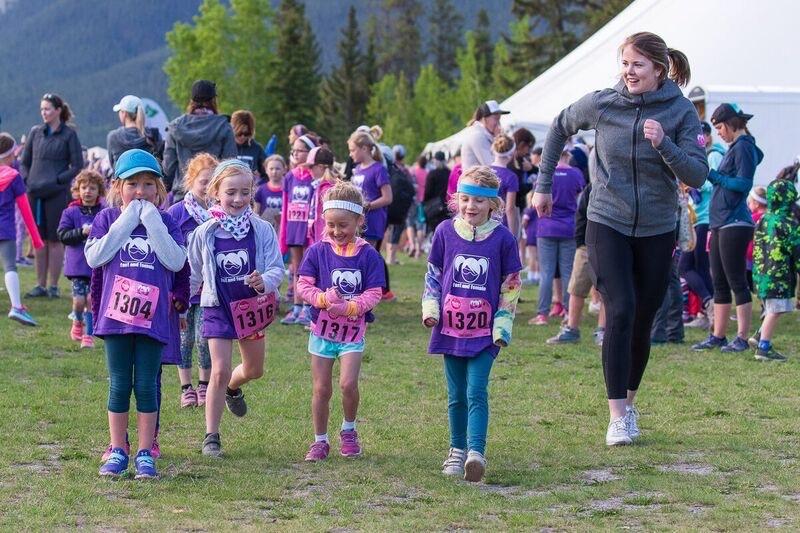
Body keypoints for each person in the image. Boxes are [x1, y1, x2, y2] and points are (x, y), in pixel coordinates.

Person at [533, 32, 707, 446]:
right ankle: (616, 416)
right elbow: (559, 127)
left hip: (656, 225)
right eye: (625, 63)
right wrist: (542, 184)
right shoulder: (603, 102)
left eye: (637, 65)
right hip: (606, 219)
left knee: (642, 319)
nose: (628, 72)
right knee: (621, 307)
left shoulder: (681, 112)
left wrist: (664, 144)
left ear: (659, 70)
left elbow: (697, 174)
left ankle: (629, 406)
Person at [86, 149, 187, 479]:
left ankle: (145, 451)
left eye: (147, 184)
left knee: (145, 384)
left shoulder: (166, 220)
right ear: (117, 187)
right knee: (118, 384)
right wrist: (128, 219)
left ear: (159, 189)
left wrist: (152, 221)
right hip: (116, 318)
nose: (140, 192)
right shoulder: (106, 219)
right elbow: (95, 256)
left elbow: (175, 261)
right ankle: (117, 449)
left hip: (153, 318)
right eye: (132, 184)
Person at [423, 166, 522, 482]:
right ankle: (456, 450)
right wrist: (431, 309)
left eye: (479, 201)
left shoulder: (503, 239)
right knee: (456, 395)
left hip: (485, 334)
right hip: (450, 329)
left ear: (493, 205)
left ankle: (476, 453)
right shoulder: (445, 233)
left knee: (477, 390)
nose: (471, 207)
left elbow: (511, 284)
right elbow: (433, 276)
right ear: (456, 201)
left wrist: (502, 325)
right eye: (465, 199)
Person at [187, 159, 284, 457]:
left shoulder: (262, 229)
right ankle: (211, 435)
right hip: (217, 307)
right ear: (216, 192)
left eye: (244, 192)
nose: (238, 199)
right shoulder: (205, 233)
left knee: (254, 370)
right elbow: (194, 273)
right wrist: (182, 308)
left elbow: (278, 270)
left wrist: (263, 281)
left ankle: (232, 388)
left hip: (251, 308)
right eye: (231, 192)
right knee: (218, 369)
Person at [296, 182, 386, 461]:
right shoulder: (317, 251)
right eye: (331, 225)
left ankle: (349, 430)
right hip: (321, 331)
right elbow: (302, 284)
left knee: (348, 384)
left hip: (352, 332)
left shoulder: (368, 255)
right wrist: (321, 299)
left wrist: (351, 307)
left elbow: (375, 292)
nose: (336, 231)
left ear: (359, 222)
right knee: (321, 388)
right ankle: (320, 440)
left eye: (343, 225)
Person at [692, 103, 762, 353]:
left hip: (735, 222)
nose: (718, 132)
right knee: (719, 281)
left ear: (733, 124)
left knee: (736, 281)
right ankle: (718, 335)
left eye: (720, 127)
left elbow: (743, 183)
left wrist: (713, 175)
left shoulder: (743, 146)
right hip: (721, 222)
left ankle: (742, 338)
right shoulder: (738, 147)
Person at [166, 153, 218, 408]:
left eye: (212, 182)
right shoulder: (176, 212)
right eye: (203, 181)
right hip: (184, 287)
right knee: (184, 338)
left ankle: (204, 385)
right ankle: (185, 386)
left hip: (210, 287)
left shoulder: (221, 214)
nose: (207, 187)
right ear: (191, 181)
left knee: (204, 338)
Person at [20, 93, 83, 299]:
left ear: (58, 110)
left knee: (55, 239)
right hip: (35, 192)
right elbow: (25, 161)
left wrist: (58, 181)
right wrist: (27, 179)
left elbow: (77, 165)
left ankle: (53, 285)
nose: (44, 113)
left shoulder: (68, 134)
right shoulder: (35, 132)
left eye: (47, 109)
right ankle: (40, 284)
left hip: (56, 193)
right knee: (39, 239)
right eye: (42, 109)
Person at [546, 184, 606, 345]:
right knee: (577, 288)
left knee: (608, 290)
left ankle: (603, 331)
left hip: (612, 246)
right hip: (588, 244)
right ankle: (571, 329)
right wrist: (581, 243)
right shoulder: (593, 187)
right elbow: (581, 215)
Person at [530, 149, 584, 326]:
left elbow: (535, 200)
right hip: (568, 228)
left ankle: (542, 315)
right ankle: (569, 312)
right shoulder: (576, 174)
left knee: (546, 273)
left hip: (546, 227)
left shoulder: (546, 175)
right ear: (568, 156)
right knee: (568, 272)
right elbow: (581, 199)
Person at [751, 173, 800, 361]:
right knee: (775, 310)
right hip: (779, 277)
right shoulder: (789, 224)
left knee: (773, 308)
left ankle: (758, 336)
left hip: (761, 275)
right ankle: (764, 348)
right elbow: (796, 250)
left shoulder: (762, 219)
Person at [163, 80, 237, 199]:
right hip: (214, 197)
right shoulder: (224, 126)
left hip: (182, 197)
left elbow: (168, 168)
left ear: (192, 101)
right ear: (213, 101)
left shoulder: (175, 127)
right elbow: (230, 165)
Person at [57, 169, 105, 347]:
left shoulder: (104, 212)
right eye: (84, 187)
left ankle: (88, 335)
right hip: (77, 266)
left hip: (96, 266)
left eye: (92, 188)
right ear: (77, 190)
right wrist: (81, 232)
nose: (87, 191)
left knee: (92, 301)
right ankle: (77, 321)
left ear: (99, 191)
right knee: (79, 301)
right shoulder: (70, 212)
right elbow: (62, 235)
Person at [0, 132, 42, 326]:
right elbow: (26, 212)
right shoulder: (14, 177)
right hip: (6, 229)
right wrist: (36, 239)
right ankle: (16, 307)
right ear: (9, 155)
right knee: (10, 266)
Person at [348, 130, 394, 301]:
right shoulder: (357, 170)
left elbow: (388, 198)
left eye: (353, 150)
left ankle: (369, 292)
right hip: (356, 219)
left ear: (365, 148)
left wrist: (368, 206)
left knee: (367, 255)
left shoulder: (378, 169)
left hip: (373, 220)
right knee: (355, 254)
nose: (350, 154)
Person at [681, 125, 719, 329]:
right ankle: (709, 311)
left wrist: (693, 183)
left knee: (687, 267)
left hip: (706, 219)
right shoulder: (701, 155)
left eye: (701, 135)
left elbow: (713, 182)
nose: (699, 139)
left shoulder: (714, 156)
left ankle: (710, 306)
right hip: (697, 218)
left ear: (707, 136)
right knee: (697, 268)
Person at [280, 134, 318, 325]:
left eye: (299, 150)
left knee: (309, 270)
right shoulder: (289, 176)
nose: (295, 154)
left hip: (309, 228)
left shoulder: (315, 176)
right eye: (293, 150)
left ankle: (308, 307)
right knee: (296, 268)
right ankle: (296, 306)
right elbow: (285, 206)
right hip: (294, 227)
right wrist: (283, 235)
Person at [106, 95, 159, 167]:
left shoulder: (113, 137)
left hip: (122, 178)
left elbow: (112, 165)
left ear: (124, 114)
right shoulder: (153, 135)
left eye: (119, 111)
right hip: (149, 177)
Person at [460, 101, 509, 170]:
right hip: (474, 180)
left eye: (499, 119)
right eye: (496, 119)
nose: (498, 123)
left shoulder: (482, 134)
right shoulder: (477, 136)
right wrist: (498, 139)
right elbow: (492, 166)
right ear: (484, 118)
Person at [306, 147, 339, 243]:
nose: (309, 170)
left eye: (310, 167)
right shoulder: (319, 186)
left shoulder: (327, 189)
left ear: (320, 167)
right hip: (318, 238)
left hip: (325, 240)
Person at [490, 134, 520, 236]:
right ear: (512, 154)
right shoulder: (511, 177)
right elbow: (510, 208)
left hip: (482, 223)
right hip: (501, 225)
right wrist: (512, 235)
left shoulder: (483, 171)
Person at [231, 110, 266, 183]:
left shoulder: (257, 148)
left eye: (246, 133)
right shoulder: (225, 148)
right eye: (239, 133)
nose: (243, 137)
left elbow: (266, 174)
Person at [254, 155, 286, 230]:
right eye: (271, 169)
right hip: (266, 228)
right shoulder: (260, 190)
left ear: (284, 170)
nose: (274, 172)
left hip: (283, 229)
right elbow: (256, 213)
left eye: (277, 169)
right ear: (266, 170)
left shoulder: (288, 189)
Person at [423, 152, 450, 233]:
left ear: (435, 160)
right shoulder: (449, 172)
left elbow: (427, 192)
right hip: (447, 206)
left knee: (435, 231)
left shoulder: (432, 174)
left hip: (434, 207)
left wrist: (425, 203)